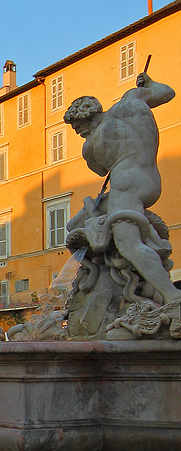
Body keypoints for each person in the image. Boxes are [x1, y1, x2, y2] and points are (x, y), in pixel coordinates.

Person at [64, 72, 178, 306]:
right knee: (74, 225)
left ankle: (172, 296)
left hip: (125, 183)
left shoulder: (91, 144)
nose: (78, 132)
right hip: (149, 179)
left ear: (90, 118)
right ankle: (97, 273)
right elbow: (167, 92)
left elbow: (99, 171)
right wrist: (149, 84)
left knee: (129, 244)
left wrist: (93, 145)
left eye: (79, 127)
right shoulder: (132, 100)